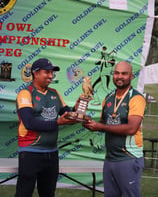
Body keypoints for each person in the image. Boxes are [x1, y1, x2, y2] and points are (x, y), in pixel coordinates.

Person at [15, 58, 78, 197]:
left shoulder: (54, 93)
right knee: (23, 194)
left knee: (48, 194)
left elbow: (67, 114)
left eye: (52, 73)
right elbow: (29, 123)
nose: (50, 76)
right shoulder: (25, 93)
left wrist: (79, 107)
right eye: (47, 72)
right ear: (35, 73)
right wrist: (58, 123)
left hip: (51, 153)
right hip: (30, 152)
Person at [83, 61, 146, 197]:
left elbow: (131, 129)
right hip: (110, 158)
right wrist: (87, 122)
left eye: (124, 73)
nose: (119, 76)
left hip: (128, 158)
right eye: (117, 73)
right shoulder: (109, 97)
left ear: (131, 76)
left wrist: (101, 126)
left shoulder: (136, 98)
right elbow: (104, 123)